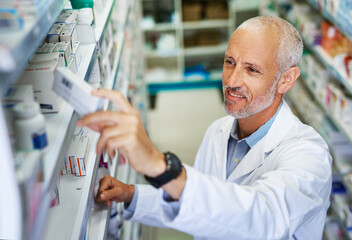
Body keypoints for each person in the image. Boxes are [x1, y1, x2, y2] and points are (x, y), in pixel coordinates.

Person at [78, 16, 332, 240]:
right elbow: (198, 201)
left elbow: (264, 219)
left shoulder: (309, 154)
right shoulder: (218, 132)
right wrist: (132, 195)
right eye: (230, 62)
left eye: (252, 70)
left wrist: (160, 165)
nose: (231, 81)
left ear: (286, 79)